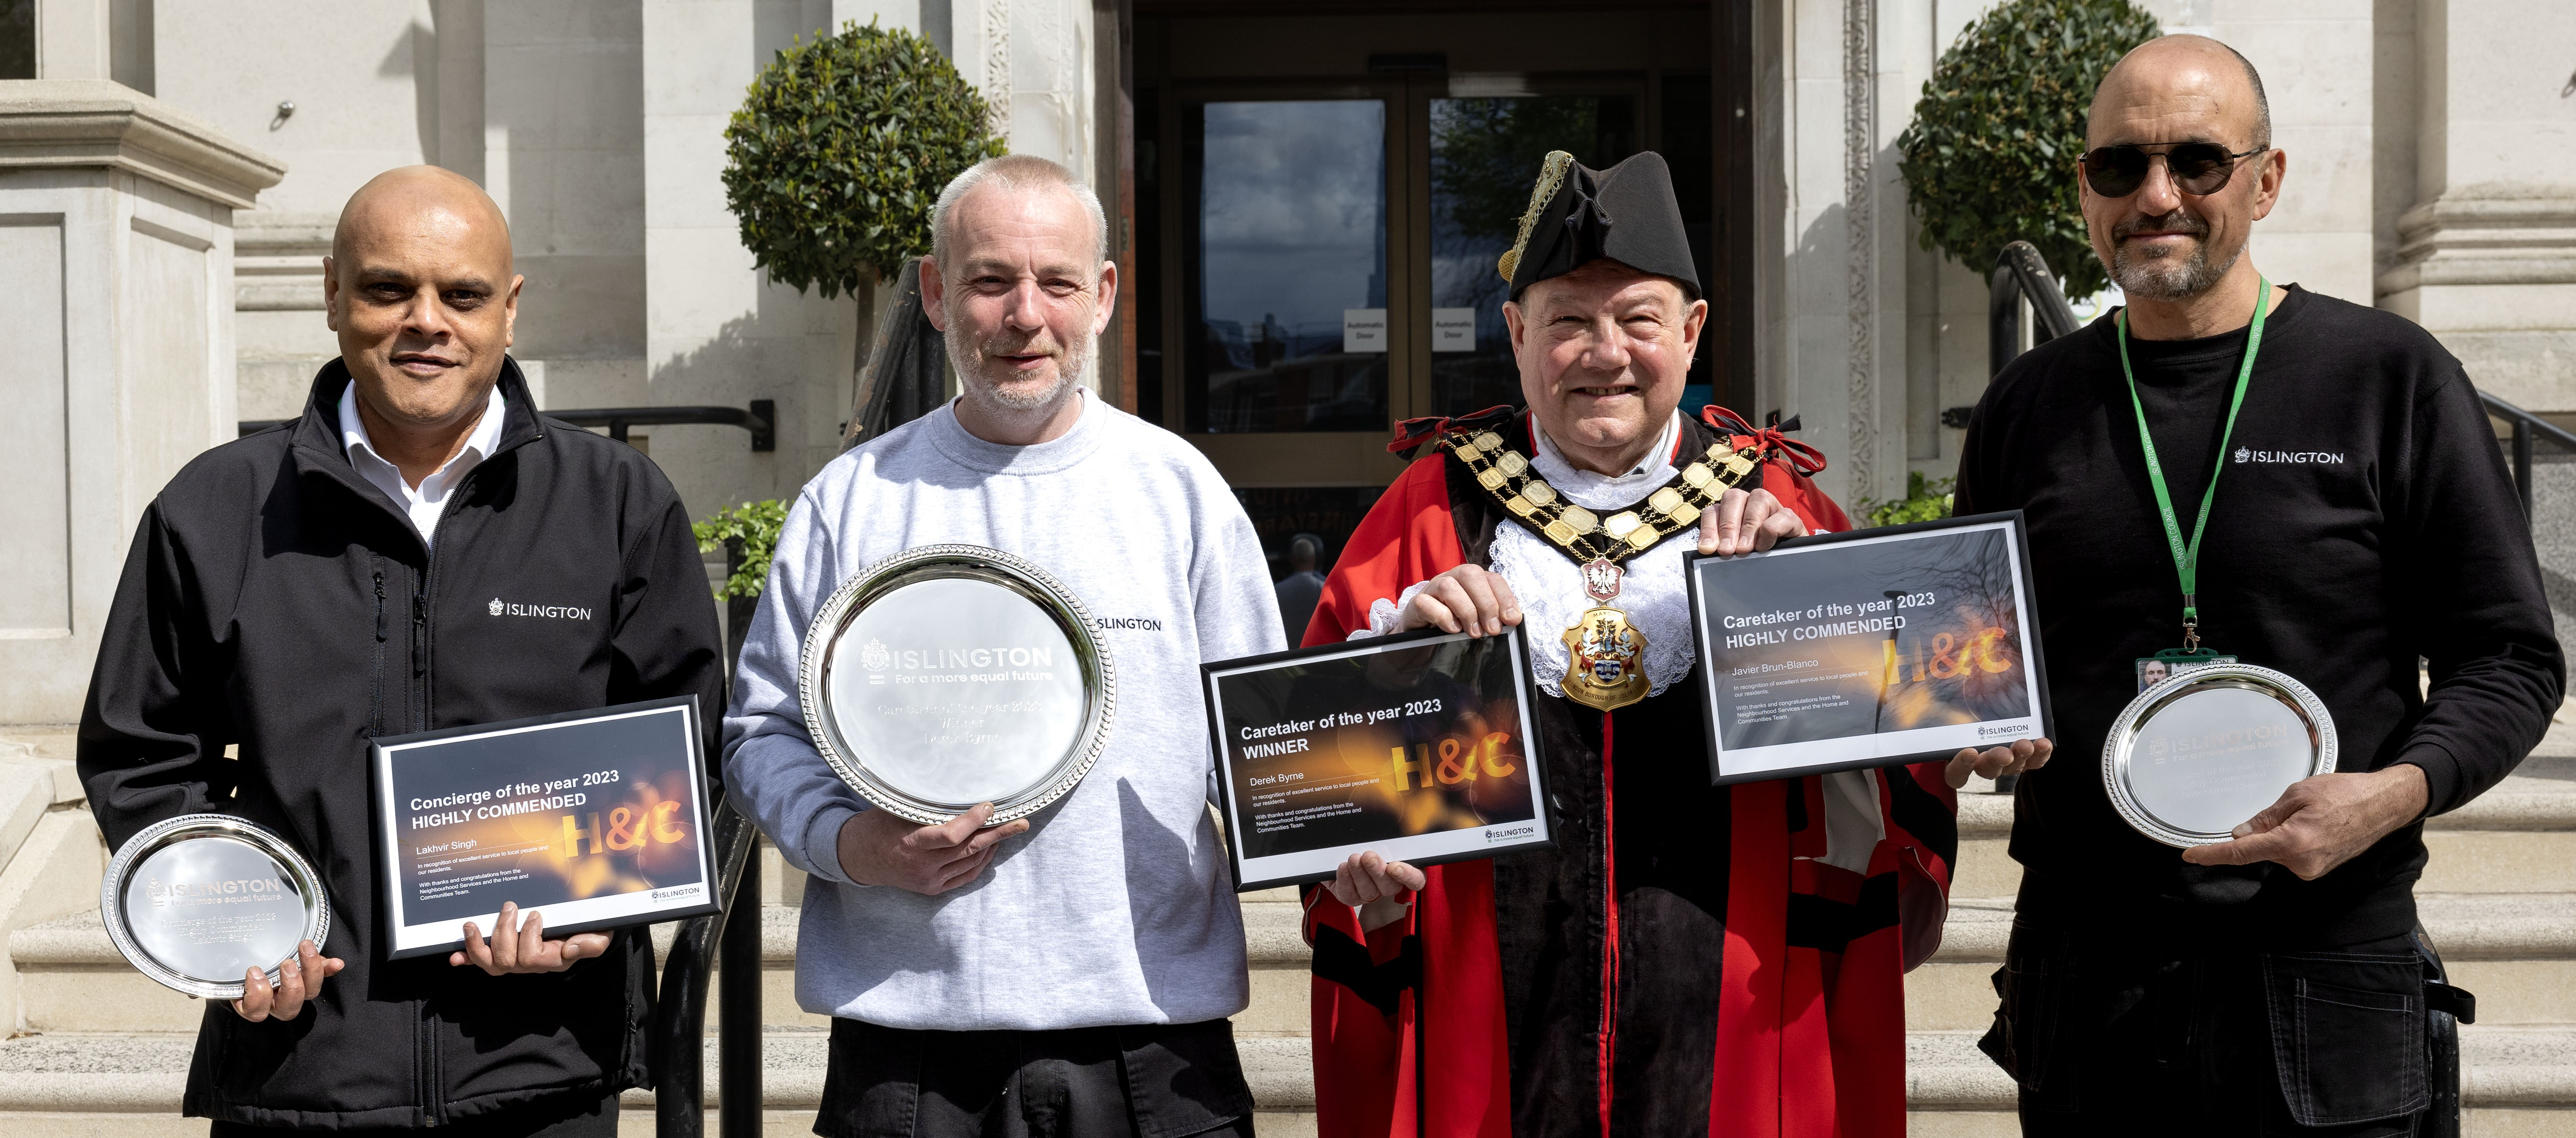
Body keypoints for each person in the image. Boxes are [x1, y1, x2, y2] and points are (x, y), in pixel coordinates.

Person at [1300, 150, 2050, 1137]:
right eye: (1567, 320)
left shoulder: (1779, 508)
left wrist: (1838, 623)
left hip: (1743, 1011)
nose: (1604, 352)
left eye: (1638, 320)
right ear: (1518, 335)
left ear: (1691, 334)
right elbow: (1313, 791)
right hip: (1491, 1020)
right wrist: (1403, 663)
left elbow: (1917, 755)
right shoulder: (1429, 517)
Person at [1957, 36, 2561, 1134]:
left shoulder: (2386, 377)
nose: (2155, 197)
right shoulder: (2024, 408)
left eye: (2195, 161)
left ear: (2264, 177)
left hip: (2321, 962)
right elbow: (1966, 654)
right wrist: (1972, 720)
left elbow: (2509, 658)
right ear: (2079, 190)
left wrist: (2391, 791)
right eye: (2117, 168)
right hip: (2087, 975)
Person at [79, 166, 727, 1134]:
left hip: (543, 1068)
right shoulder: (215, 511)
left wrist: (600, 915)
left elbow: (685, 751)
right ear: (332, 293)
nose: (428, 321)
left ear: (509, 311)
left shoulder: (618, 503)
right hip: (303, 1069)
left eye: (462, 294)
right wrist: (233, 929)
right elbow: (141, 756)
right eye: (389, 289)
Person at [724, 154, 1280, 1138]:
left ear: (1102, 296)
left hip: (1152, 1046)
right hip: (909, 1050)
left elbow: (1269, 740)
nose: (1026, 314)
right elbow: (762, 732)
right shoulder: (853, 499)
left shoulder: (1180, 492)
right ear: (936, 294)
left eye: (1057, 282)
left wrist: (1359, 844)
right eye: (990, 280)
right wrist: (854, 845)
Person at [1273, 533, 1329, 643]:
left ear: (1292, 560)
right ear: (1314, 559)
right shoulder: (1326, 589)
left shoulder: (1277, 591)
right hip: (1319, 653)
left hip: (1287, 654)